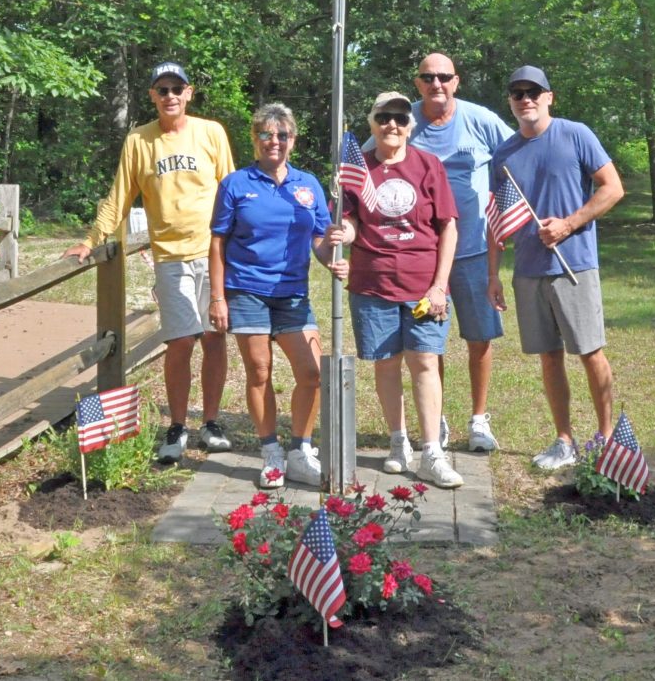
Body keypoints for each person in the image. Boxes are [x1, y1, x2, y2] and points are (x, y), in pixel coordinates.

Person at [63, 62, 235, 464]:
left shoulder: (211, 132)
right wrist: (90, 240)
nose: (170, 95)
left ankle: (210, 422)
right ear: (152, 96)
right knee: (179, 342)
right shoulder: (139, 141)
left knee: (214, 337)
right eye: (162, 89)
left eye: (177, 88)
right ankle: (177, 426)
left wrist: (241, 246)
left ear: (189, 93)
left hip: (214, 253)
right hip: (171, 257)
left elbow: (232, 191)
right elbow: (119, 197)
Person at [487, 65, 625, 469]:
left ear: (550, 96)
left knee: (590, 352)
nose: (525, 99)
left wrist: (568, 224)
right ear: (510, 101)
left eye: (534, 91)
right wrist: (494, 274)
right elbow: (495, 218)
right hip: (528, 271)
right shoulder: (505, 154)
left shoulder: (575, 134)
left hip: (574, 266)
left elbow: (612, 187)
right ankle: (564, 440)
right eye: (517, 93)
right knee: (549, 357)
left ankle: (604, 440)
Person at [209, 103, 348, 489]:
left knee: (312, 373)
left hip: (292, 294)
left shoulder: (308, 185)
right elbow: (218, 242)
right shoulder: (236, 184)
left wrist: (332, 258)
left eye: (282, 135)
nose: (275, 141)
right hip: (247, 291)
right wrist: (218, 297)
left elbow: (320, 239)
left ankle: (300, 450)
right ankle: (270, 451)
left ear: (293, 140)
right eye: (266, 134)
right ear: (254, 139)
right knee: (259, 372)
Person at [337, 91, 463, 489]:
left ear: (410, 124)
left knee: (425, 362)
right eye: (383, 117)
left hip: (424, 287)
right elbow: (353, 220)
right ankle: (398, 441)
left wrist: (441, 285)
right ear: (372, 124)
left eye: (400, 117)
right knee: (386, 363)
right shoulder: (357, 170)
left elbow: (448, 226)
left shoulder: (428, 166)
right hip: (372, 284)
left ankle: (432, 453)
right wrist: (347, 231)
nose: (392, 124)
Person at [408, 53, 514, 454]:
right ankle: (436, 419)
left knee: (480, 337)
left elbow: (515, 152)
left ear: (457, 81)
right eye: (428, 77)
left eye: (444, 77)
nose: (437, 84)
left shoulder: (478, 119)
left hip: (472, 250)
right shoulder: (406, 119)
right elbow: (369, 159)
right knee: (427, 342)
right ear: (418, 83)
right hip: (423, 253)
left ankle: (479, 419)